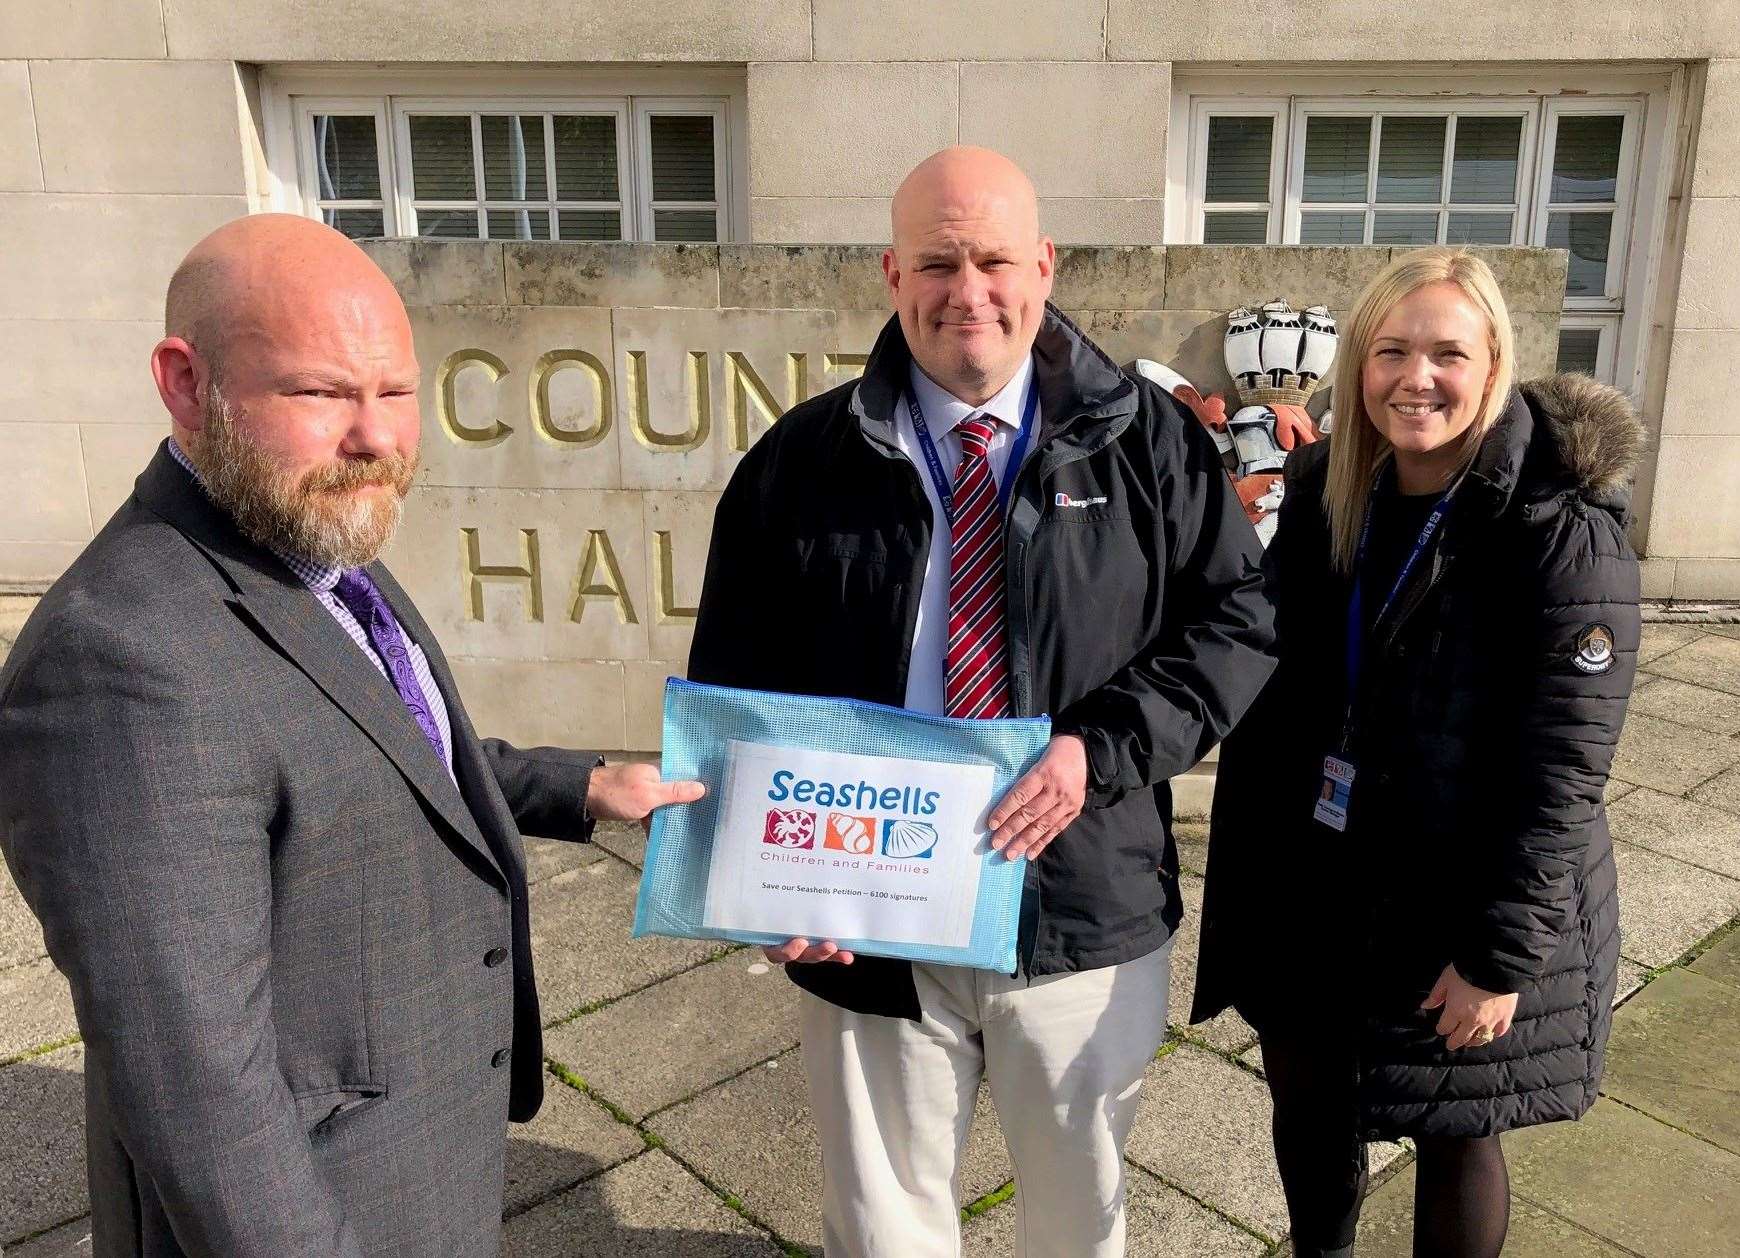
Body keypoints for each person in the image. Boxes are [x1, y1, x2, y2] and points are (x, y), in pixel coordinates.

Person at [0, 215, 701, 1257]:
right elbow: (202, 1099)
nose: (375, 436)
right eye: (321, 393)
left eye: (397, 392)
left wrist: (584, 785)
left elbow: (381, 745)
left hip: (415, 1167)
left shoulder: (304, 532)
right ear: (185, 384)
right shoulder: (120, 662)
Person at [687, 147, 1275, 1257]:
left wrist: (1097, 750)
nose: (970, 291)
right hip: (862, 918)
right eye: (938, 261)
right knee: (884, 1226)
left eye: (995, 259)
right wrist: (757, 873)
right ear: (890, 274)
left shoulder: (1149, 440)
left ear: (1044, 267)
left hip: (1079, 898)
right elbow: (732, 687)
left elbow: (1240, 623)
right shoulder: (797, 462)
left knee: (1076, 1223)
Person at [1191, 247, 1642, 1258]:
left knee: (1456, 1129)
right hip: (1323, 880)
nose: (1417, 377)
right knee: (1309, 1107)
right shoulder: (1324, 495)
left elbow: (1562, 773)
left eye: (1447, 351)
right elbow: (1258, 652)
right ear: (1358, 367)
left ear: (1492, 364)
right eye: (1391, 350)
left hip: (1463, 895)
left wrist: (1497, 957)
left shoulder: (1560, 527)